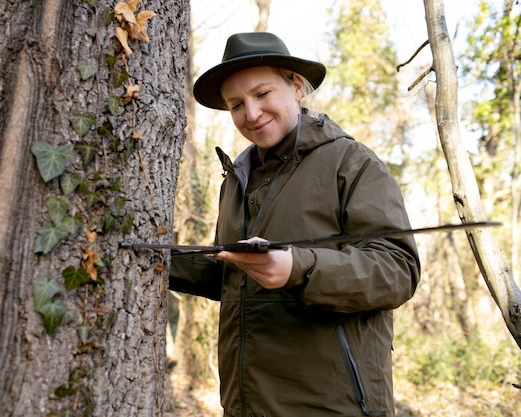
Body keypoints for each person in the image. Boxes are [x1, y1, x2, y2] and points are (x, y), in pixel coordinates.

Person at [169, 32, 420, 417]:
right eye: (236, 104)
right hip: (245, 404)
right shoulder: (236, 180)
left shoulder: (351, 163)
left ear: (297, 86)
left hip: (332, 406)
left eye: (263, 94)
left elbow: (397, 270)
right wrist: (165, 262)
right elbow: (235, 275)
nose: (251, 113)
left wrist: (298, 269)